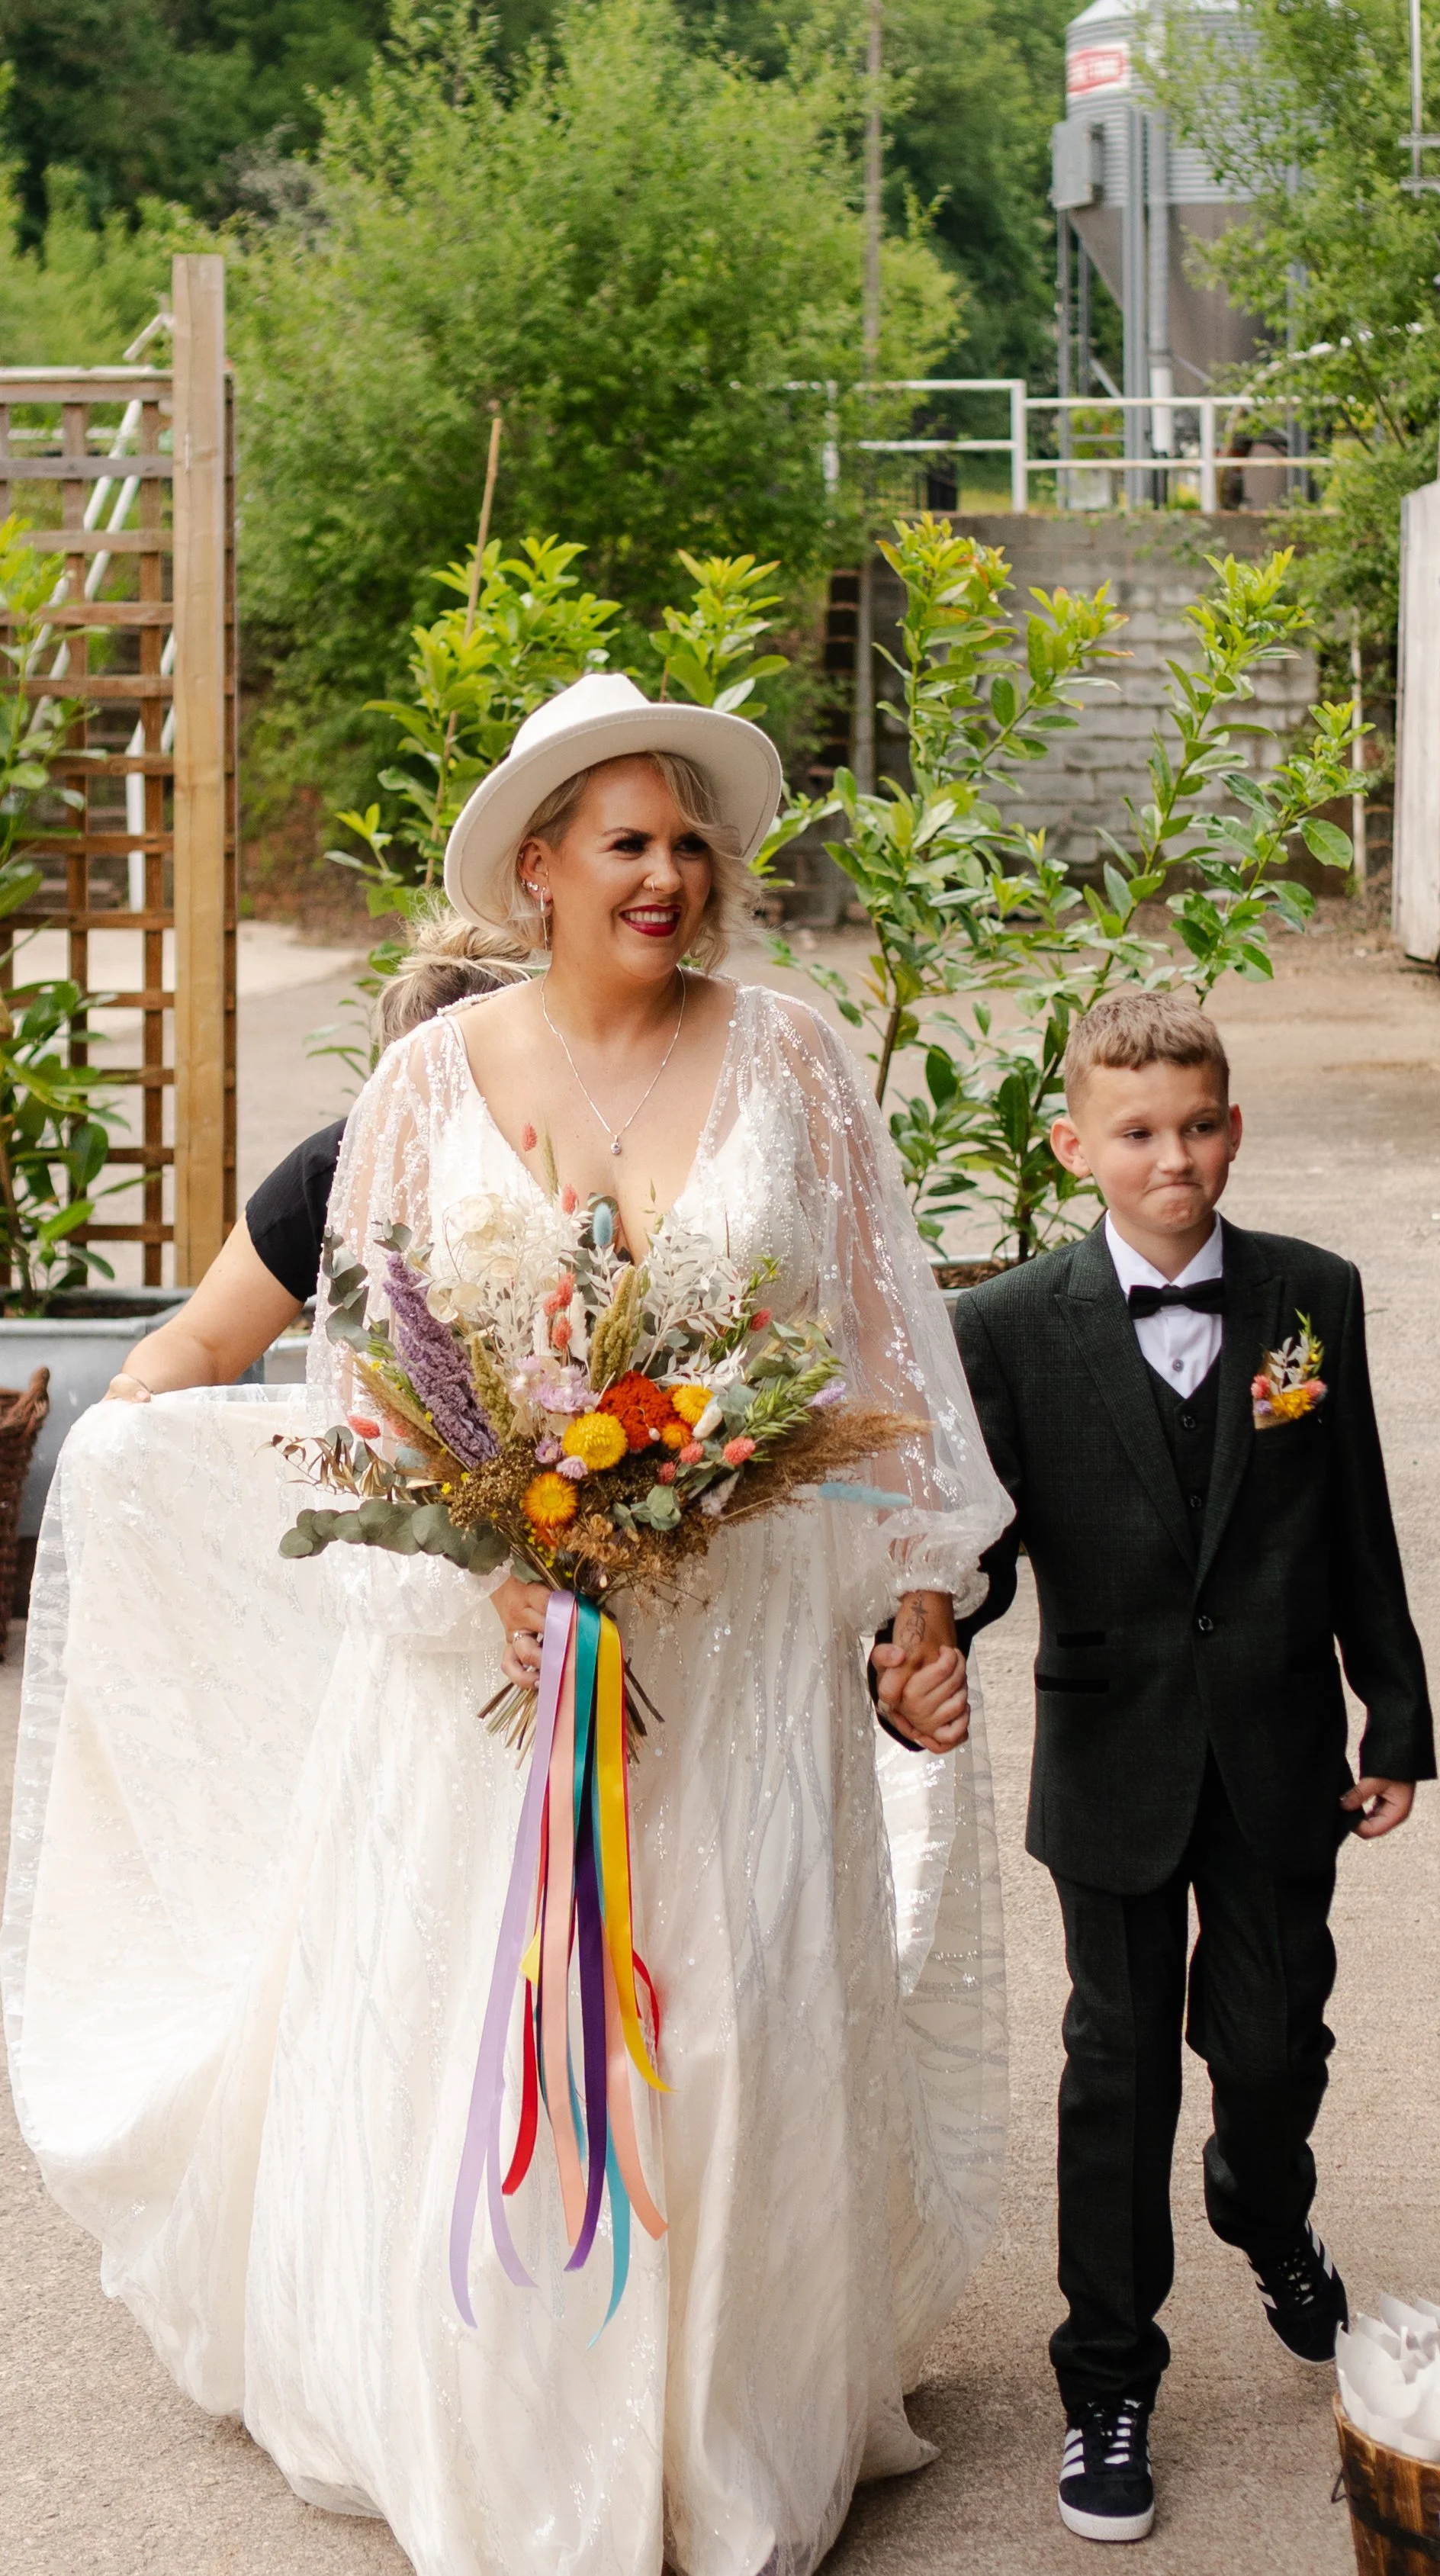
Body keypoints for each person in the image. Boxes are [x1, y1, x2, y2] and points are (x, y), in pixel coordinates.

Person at [3, 669, 1010, 2576]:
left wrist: (918, 1591)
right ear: (537, 870)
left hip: (727, 1657)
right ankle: (514, 2425)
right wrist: (502, 1567)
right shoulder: (422, 1085)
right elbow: (366, 1387)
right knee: (508, 2028)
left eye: (687, 841)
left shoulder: (791, 1055)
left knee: (718, 2019)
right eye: (626, 842)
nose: (668, 872)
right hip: (499, 1665)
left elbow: (886, 1354)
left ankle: (718, 2424)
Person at [925, 985, 1435, 2545]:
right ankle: (1106, 2378)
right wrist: (926, 1625)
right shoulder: (1002, 1325)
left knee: (1275, 2045)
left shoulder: (1309, 1296)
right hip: (1113, 1749)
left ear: (1234, 1124)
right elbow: (984, 1543)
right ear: (1077, 1143)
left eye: (1201, 1124)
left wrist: (1392, 1713)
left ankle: (1261, 2200)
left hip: (1280, 1745)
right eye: (1139, 1132)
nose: (1177, 1158)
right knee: (1117, 2064)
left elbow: (1355, 1513)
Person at [105, 911, 533, 1401]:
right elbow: (201, 1339)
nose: (434, 1110)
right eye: (409, 1082)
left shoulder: (582, 1154)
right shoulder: (336, 1166)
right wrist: (138, 1388)